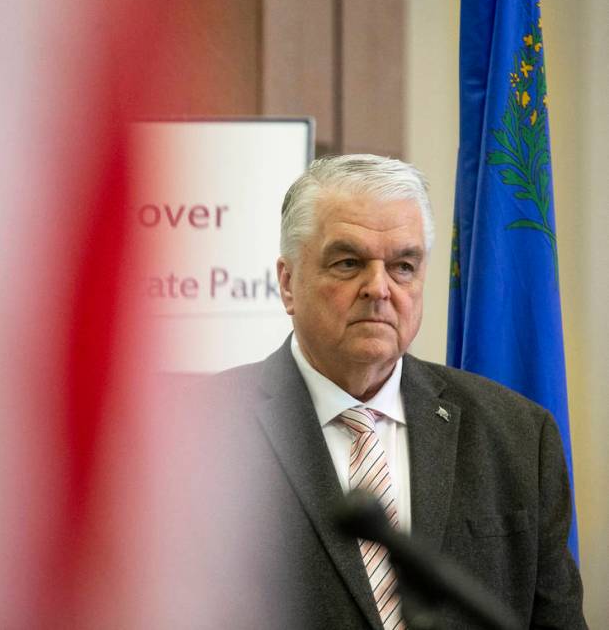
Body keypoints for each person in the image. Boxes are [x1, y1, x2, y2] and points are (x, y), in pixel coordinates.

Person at [181, 154, 585, 629]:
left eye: (403, 266)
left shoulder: (517, 435)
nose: (379, 288)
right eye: (348, 262)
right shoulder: (192, 437)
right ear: (288, 284)